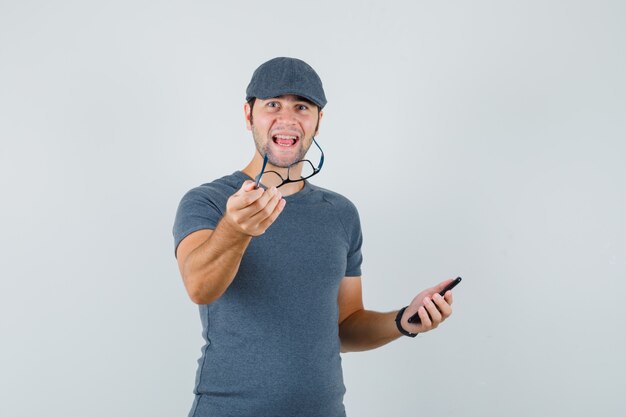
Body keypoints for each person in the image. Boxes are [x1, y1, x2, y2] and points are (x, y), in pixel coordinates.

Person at [173, 57, 456, 417]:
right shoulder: (208, 201)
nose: (287, 118)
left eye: (302, 107)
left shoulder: (340, 214)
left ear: (319, 121)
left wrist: (403, 320)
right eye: (273, 104)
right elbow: (199, 286)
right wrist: (235, 228)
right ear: (248, 115)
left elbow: (344, 327)